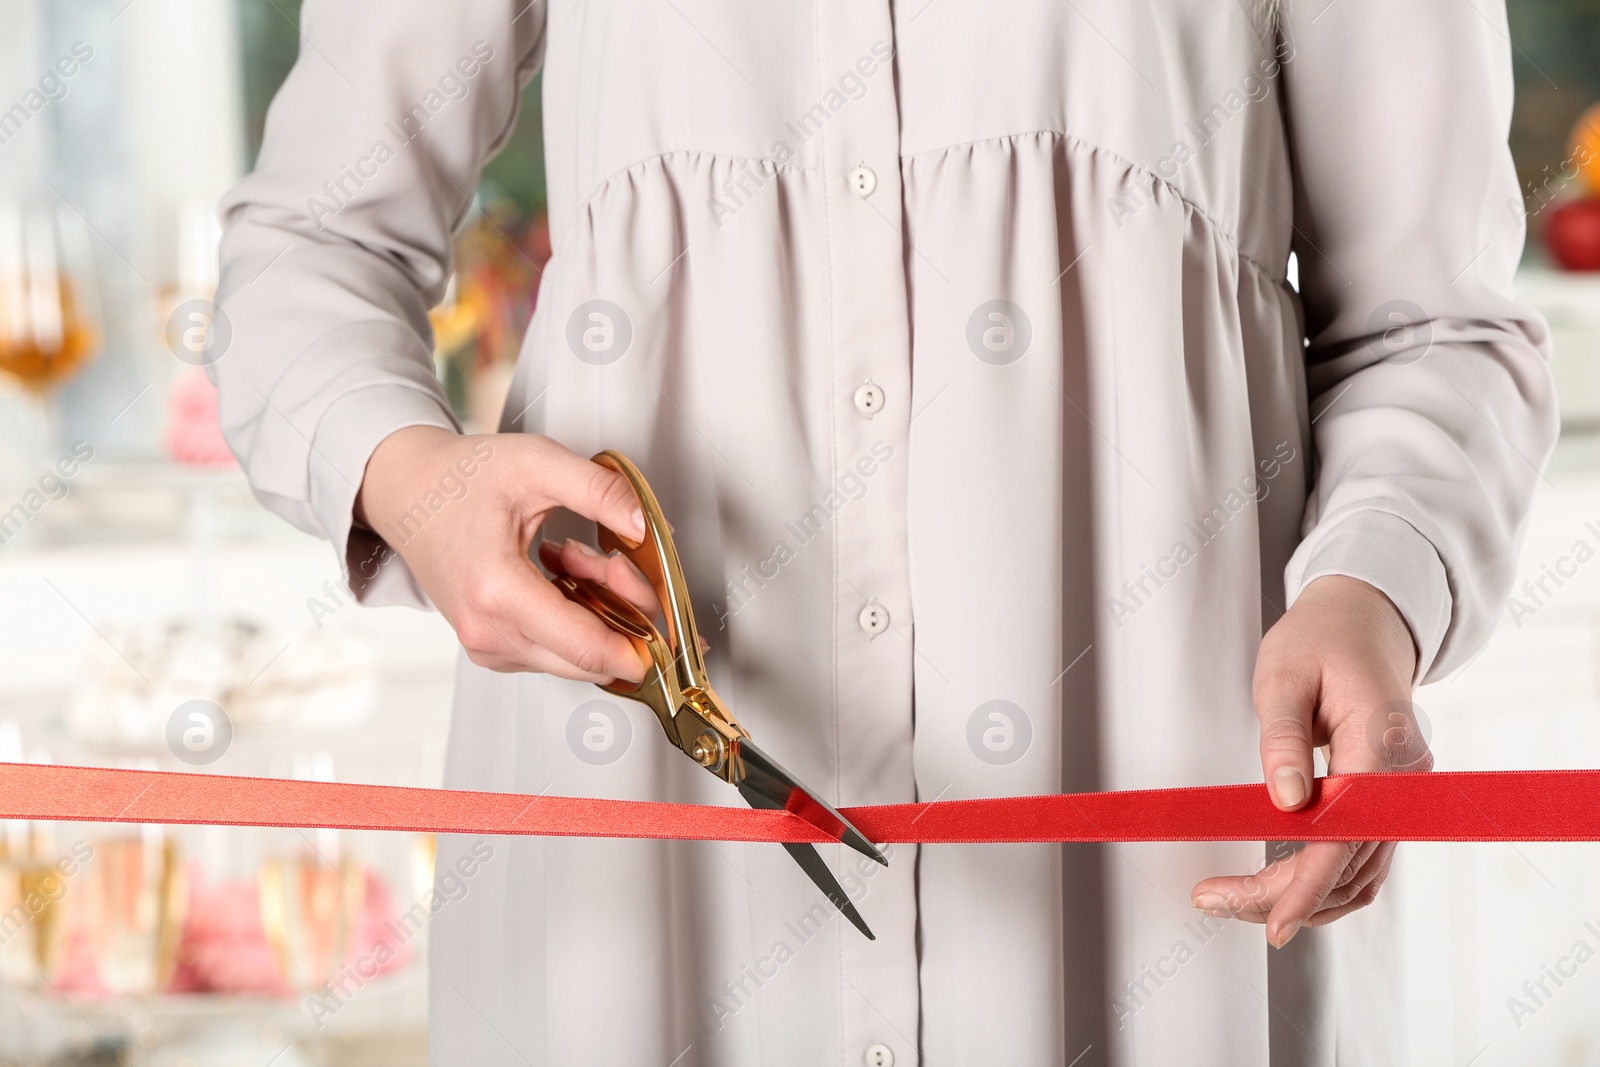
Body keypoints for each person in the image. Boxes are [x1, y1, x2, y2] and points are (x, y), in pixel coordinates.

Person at [212, 1, 1557, 1063]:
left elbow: (1434, 328)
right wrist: (413, 478)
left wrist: (1374, 588)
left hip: (1168, 847)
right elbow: (310, 247)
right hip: (640, 803)